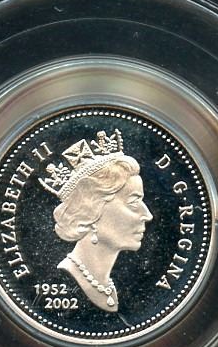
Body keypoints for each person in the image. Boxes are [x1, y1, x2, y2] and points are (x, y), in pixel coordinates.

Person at [40, 131, 153, 312]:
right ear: (90, 210)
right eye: (133, 202)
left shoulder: (107, 284)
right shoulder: (64, 278)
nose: (148, 215)